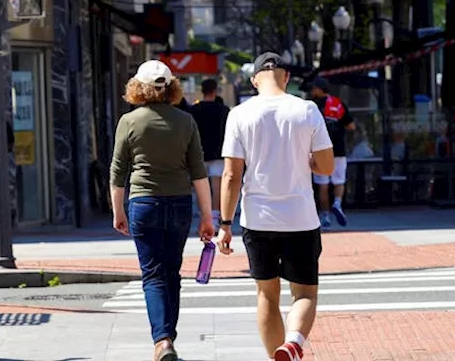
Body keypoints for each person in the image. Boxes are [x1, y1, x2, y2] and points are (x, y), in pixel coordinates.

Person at [218, 52, 334, 361]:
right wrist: (306, 160)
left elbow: (231, 174)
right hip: (300, 217)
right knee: (305, 292)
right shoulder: (306, 110)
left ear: (255, 80)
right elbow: (326, 166)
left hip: (257, 218)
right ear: (285, 77)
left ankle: (277, 356)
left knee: (266, 294)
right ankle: (294, 343)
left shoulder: (239, 114)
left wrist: (225, 224)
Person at [110, 61, 215, 361]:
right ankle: (168, 338)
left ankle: (163, 340)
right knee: (172, 273)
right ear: (171, 87)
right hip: (180, 203)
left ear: (138, 87)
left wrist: (118, 211)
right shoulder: (185, 121)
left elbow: (118, 172)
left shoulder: (129, 122)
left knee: (153, 275)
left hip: (143, 203)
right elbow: (199, 172)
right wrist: (207, 217)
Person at [307, 77, 353, 228]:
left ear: (320, 89)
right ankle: (338, 204)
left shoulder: (311, 106)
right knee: (339, 180)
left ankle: (325, 215)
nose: (312, 90)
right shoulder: (338, 104)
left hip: (320, 149)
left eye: (314, 88)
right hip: (339, 148)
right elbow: (351, 126)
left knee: (323, 184)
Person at [187, 79, 230, 226]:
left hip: (199, 154)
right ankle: (215, 218)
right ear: (215, 91)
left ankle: (203, 217)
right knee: (217, 186)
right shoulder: (223, 110)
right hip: (219, 152)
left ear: (202, 91)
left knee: (201, 186)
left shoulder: (193, 111)